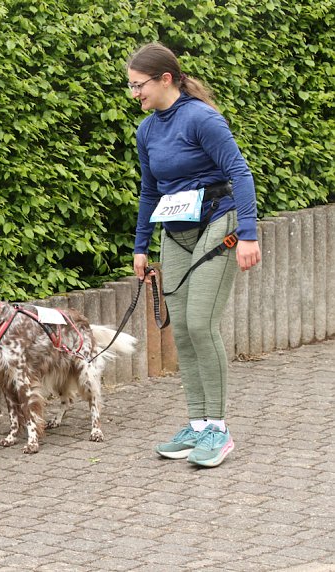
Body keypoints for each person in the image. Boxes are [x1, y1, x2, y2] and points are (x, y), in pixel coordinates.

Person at [126, 42, 261, 468]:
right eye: (129, 86)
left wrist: (249, 234)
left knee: (201, 324)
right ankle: (198, 424)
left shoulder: (202, 119)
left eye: (138, 85)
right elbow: (150, 190)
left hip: (218, 225)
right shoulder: (146, 131)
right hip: (176, 233)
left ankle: (219, 432)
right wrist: (140, 245)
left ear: (165, 79)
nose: (134, 94)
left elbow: (240, 172)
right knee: (181, 329)